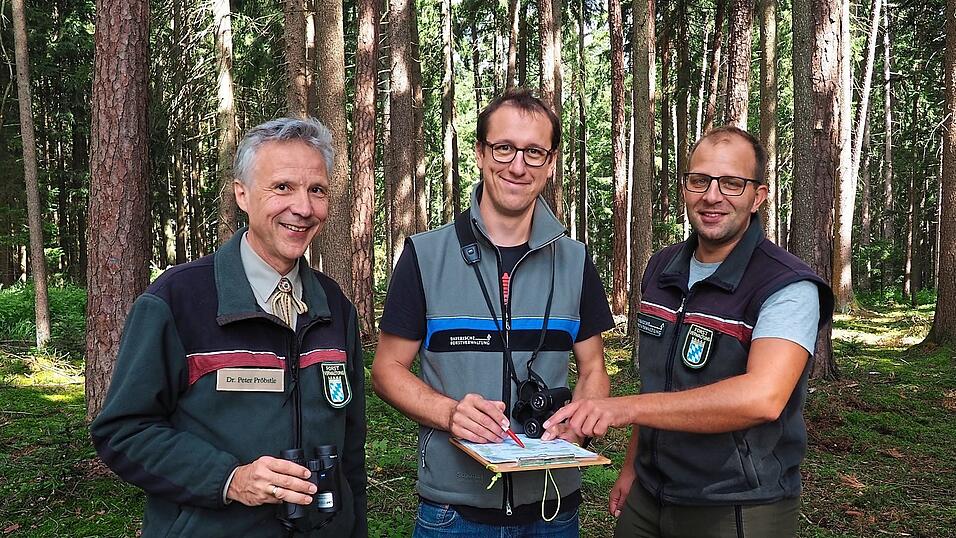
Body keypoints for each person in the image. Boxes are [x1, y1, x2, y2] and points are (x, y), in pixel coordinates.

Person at [542, 126, 834, 537]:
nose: (712, 196)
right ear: (685, 188)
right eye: (699, 180)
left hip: (736, 505)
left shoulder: (786, 286)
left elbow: (763, 398)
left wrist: (621, 409)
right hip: (650, 494)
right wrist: (631, 468)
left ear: (758, 196)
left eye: (732, 183)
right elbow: (656, 383)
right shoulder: (663, 269)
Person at [90, 118, 367, 537]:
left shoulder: (335, 308)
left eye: (317, 190)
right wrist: (229, 480)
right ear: (242, 193)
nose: (303, 208)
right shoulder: (176, 301)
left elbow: (351, 455)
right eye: (282, 187)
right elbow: (122, 431)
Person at [371, 88, 613, 537]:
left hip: (552, 511)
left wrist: (580, 420)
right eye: (504, 148)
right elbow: (387, 370)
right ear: (481, 153)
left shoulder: (576, 261)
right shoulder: (425, 256)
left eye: (534, 153)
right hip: (454, 513)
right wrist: (449, 414)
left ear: (551, 162)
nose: (518, 166)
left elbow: (594, 368)